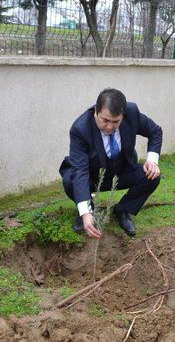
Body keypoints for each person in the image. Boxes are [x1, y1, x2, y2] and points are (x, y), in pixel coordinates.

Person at [59, 88, 162, 238]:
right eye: (105, 120)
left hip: (122, 171)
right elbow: (80, 170)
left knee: (152, 176)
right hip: (92, 176)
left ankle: (123, 210)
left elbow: (155, 131)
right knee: (70, 179)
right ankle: (89, 213)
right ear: (96, 111)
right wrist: (86, 212)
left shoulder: (132, 113)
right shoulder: (80, 129)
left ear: (123, 115)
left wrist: (152, 161)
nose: (109, 127)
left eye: (116, 122)